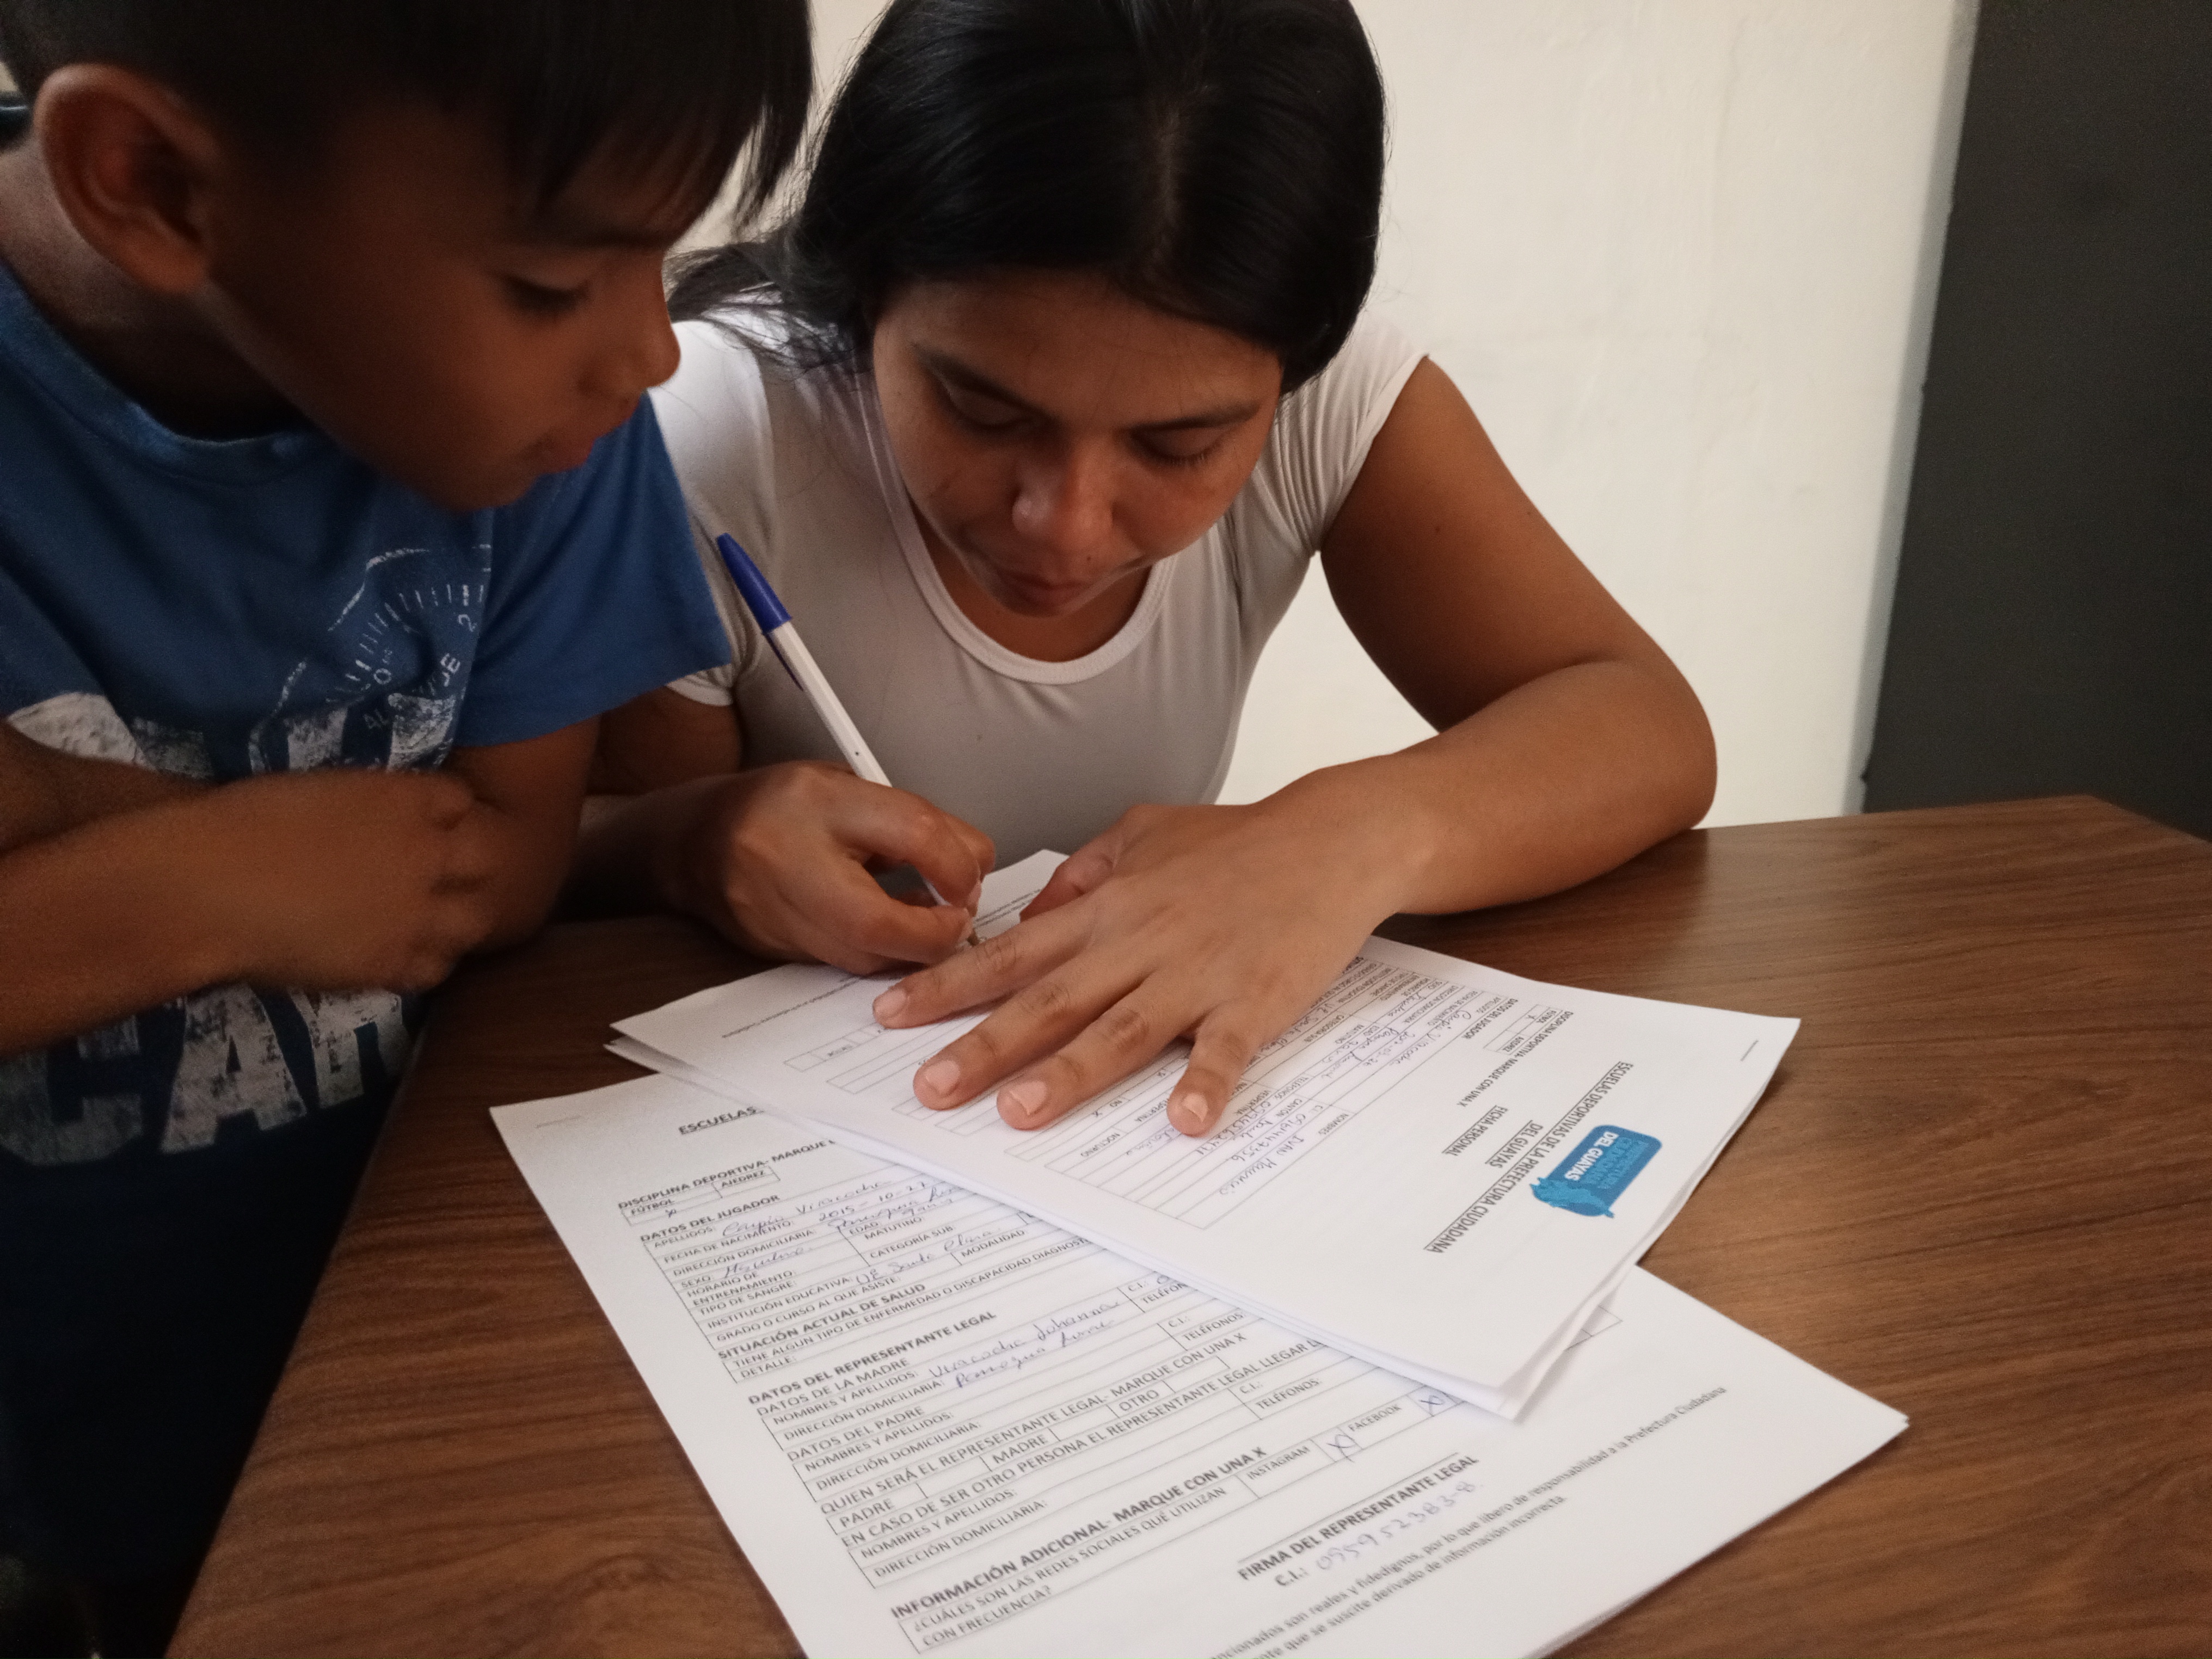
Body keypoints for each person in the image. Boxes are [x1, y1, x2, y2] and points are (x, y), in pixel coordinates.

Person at [0, 2, 808, 1650]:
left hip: (398, 1338)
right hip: (66, 1373)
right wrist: (202, 890)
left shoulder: (547, 429)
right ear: (147, 178)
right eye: (550, 285)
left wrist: (65, 819)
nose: (649, 353)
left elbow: (497, 865)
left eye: (659, 257)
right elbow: (388, 861)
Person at [580, 0, 1713, 1151]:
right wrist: (694, 843)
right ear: (868, 284)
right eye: (982, 409)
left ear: (1289, 376)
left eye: (1179, 447)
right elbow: (570, 879)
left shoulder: (1326, 400)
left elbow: (1646, 726)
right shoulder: (709, 449)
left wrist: (1342, 837)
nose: (1067, 529)